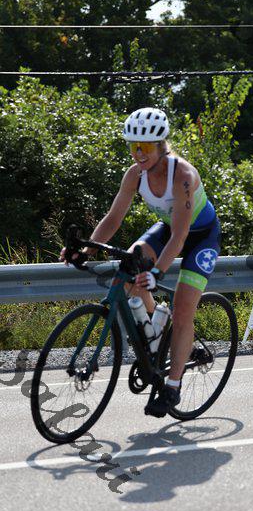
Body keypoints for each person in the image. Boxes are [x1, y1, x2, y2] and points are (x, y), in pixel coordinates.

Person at [60, 107, 221, 417]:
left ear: (161, 145)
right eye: (133, 146)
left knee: (183, 309)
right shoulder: (135, 174)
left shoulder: (183, 176)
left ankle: (172, 387)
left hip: (200, 237)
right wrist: (86, 251)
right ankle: (157, 333)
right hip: (168, 230)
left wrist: (158, 271)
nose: (138, 153)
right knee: (129, 266)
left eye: (145, 147)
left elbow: (181, 235)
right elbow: (114, 218)